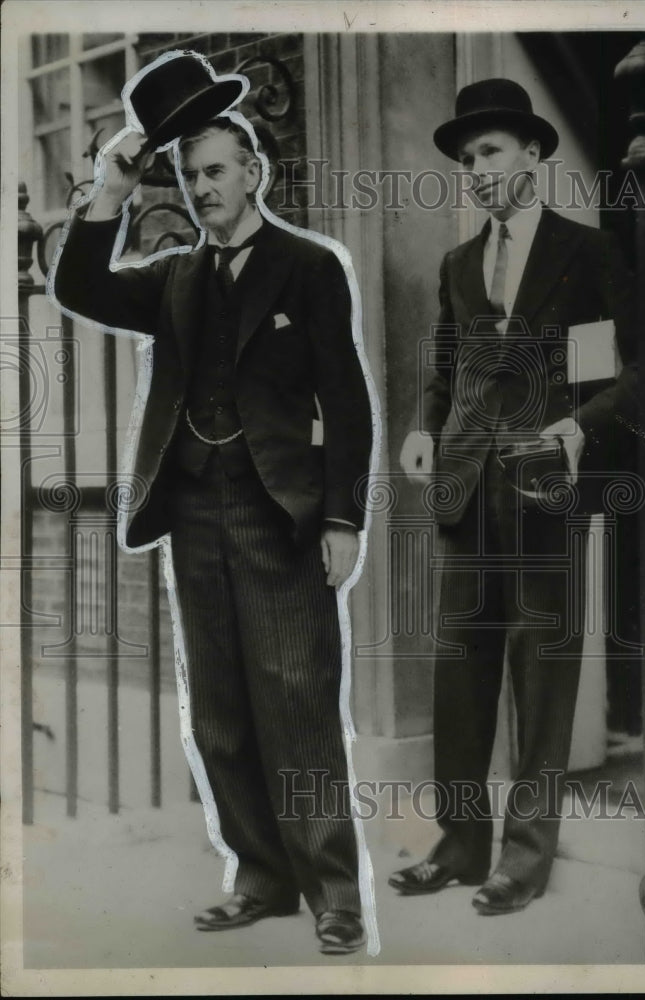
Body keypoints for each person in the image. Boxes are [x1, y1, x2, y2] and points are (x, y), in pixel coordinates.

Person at [52, 53, 373, 956]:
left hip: (281, 514)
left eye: (216, 172)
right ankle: (262, 878)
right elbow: (79, 287)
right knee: (222, 711)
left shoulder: (311, 268)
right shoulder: (174, 279)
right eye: (189, 177)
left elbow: (346, 402)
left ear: (253, 173)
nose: (200, 190)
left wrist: (345, 518)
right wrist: (111, 187)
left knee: (301, 700)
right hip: (193, 511)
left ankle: (336, 893)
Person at [390, 78, 635, 914]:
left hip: (545, 488)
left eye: (490, 152)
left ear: (533, 154)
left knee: (542, 675)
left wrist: (576, 431)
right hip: (465, 492)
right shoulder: (460, 264)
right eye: (467, 160)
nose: (478, 170)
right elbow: (445, 370)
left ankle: (523, 860)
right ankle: (460, 847)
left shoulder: (587, 252)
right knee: (460, 674)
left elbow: (632, 370)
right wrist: (426, 430)